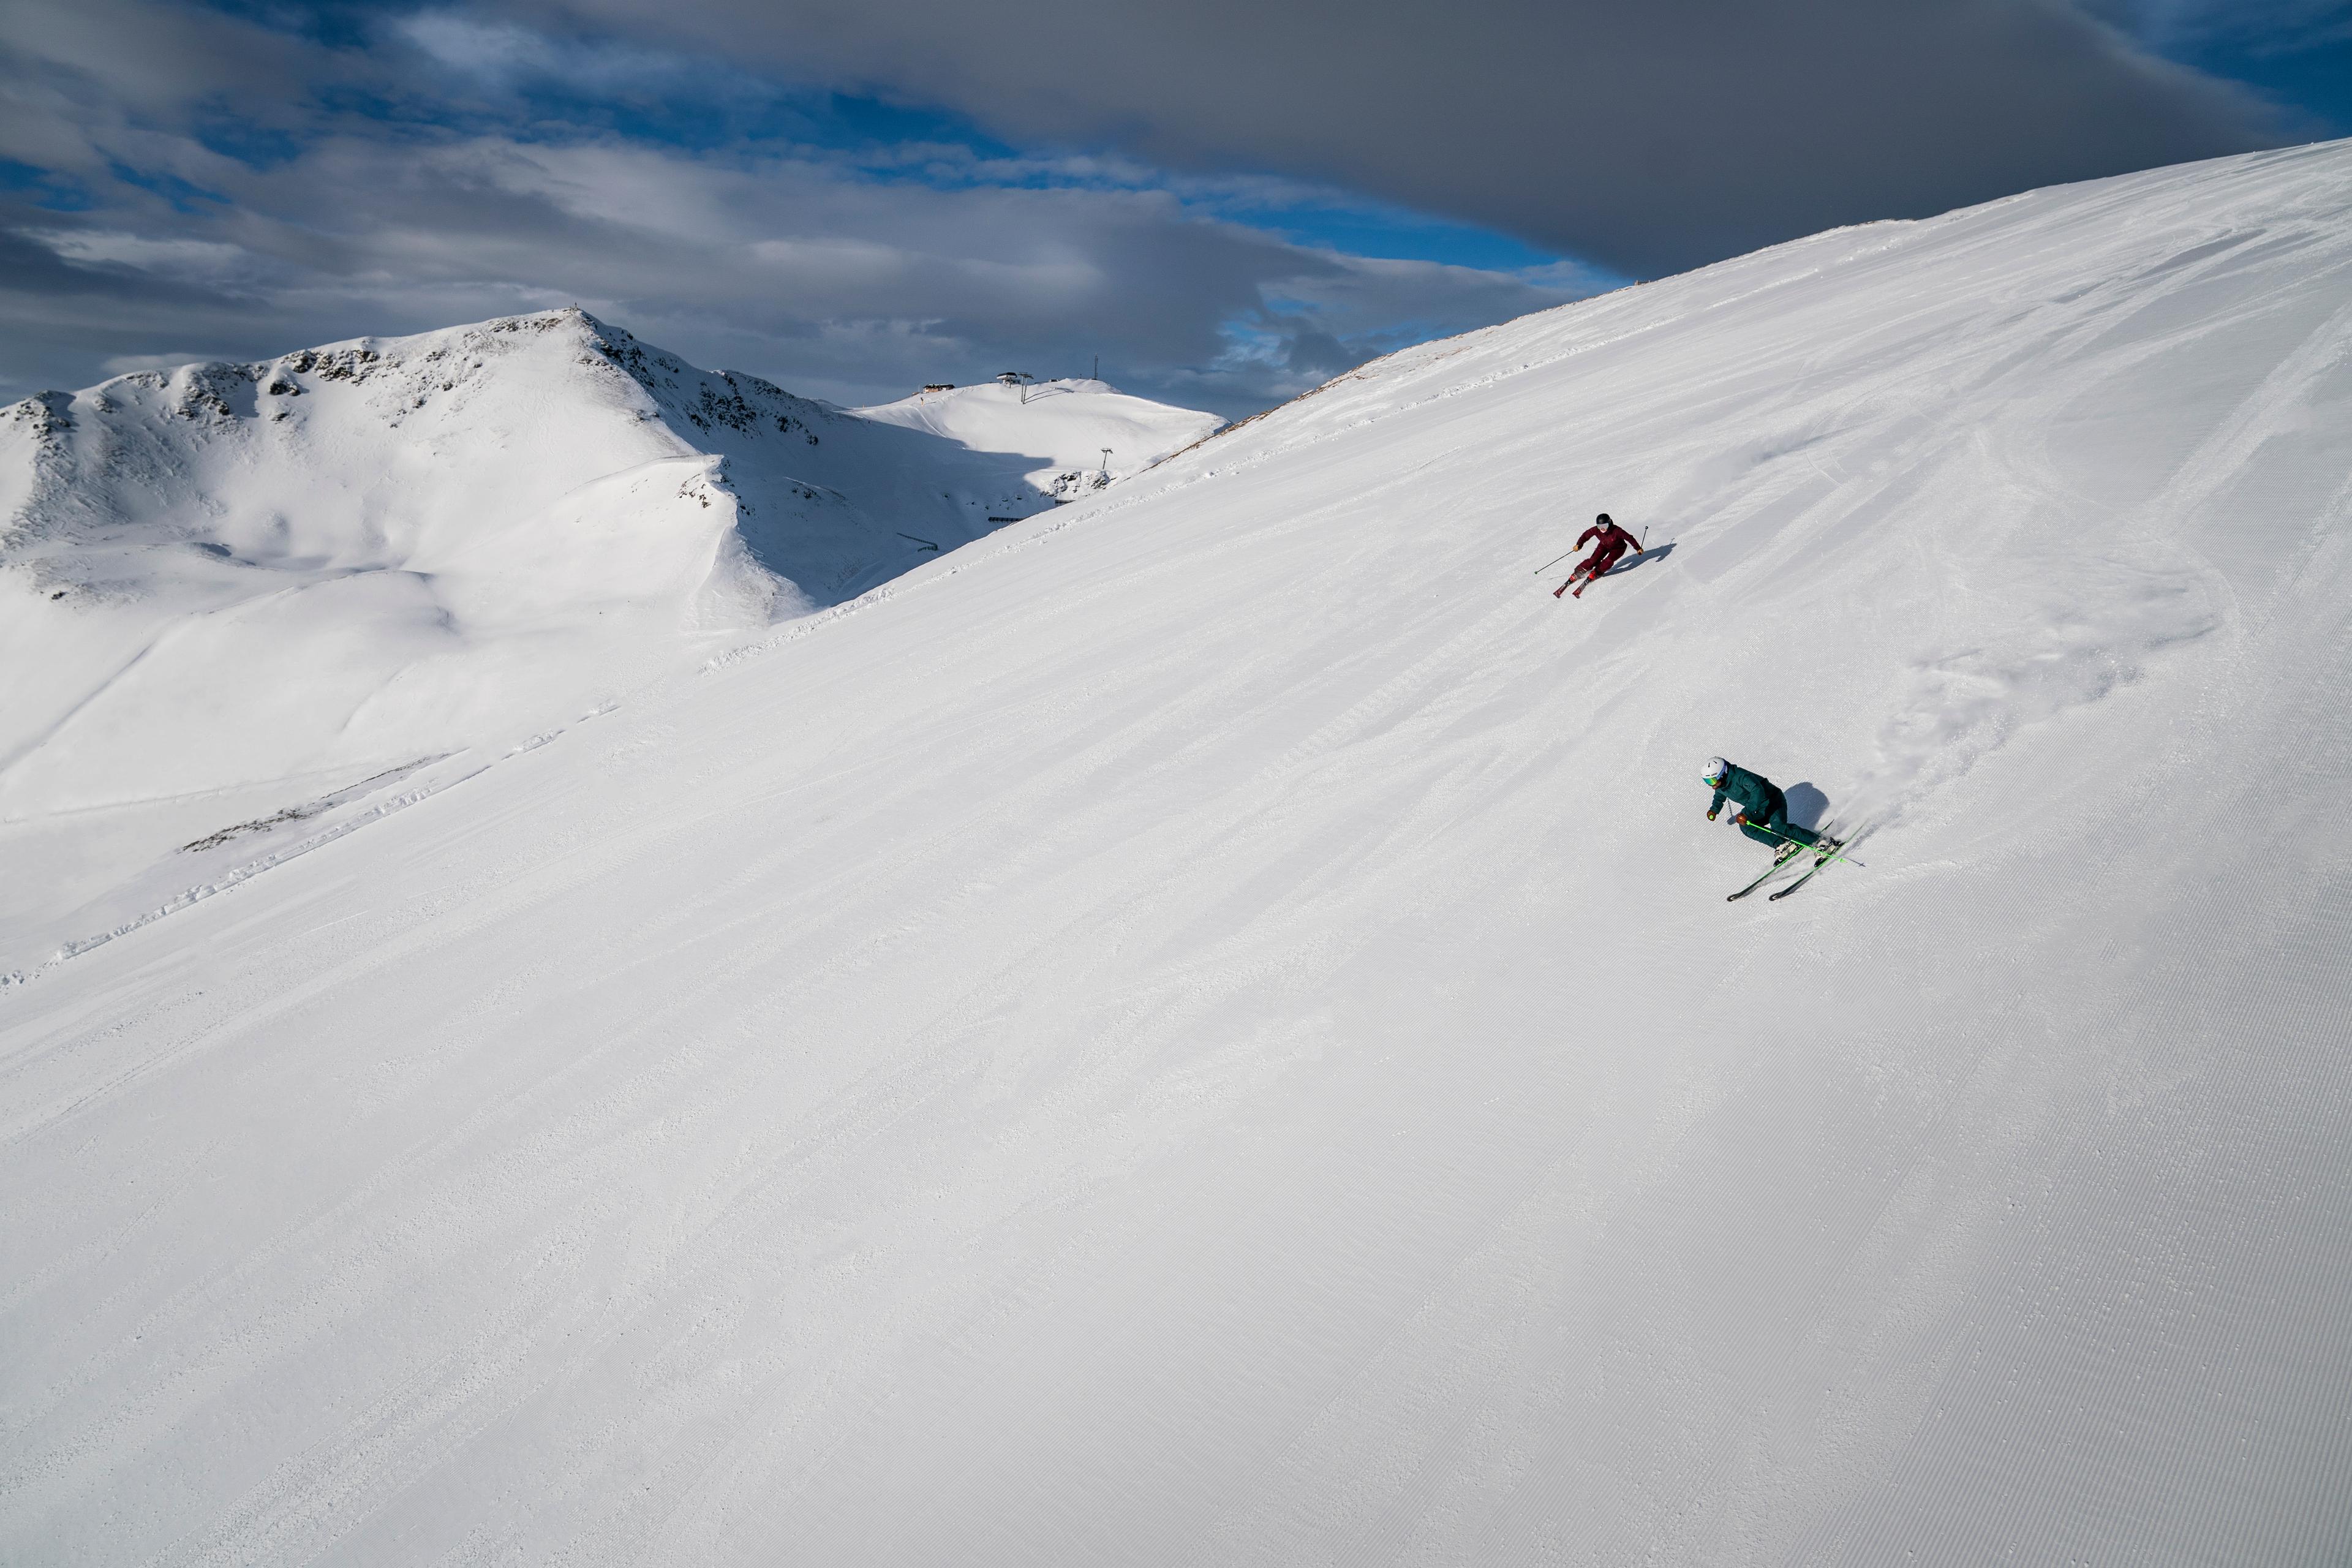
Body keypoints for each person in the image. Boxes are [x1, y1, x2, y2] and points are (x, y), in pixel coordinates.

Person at [1703, 756, 1822, 860]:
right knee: (1747, 827)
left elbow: (1757, 790)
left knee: (1779, 828)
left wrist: (1747, 812)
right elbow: (1719, 796)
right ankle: (1784, 844)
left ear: (1723, 774)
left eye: (1712, 780)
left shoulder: (1741, 777)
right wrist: (1714, 809)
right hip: (1759, 809)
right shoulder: (1721, 785)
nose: (1711, 786)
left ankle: (1820, 842)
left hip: (1773, 802)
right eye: (1707, 782)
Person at [1555, 513, 1643, 598]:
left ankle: (1597, 572)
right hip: (1604, 546)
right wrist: (1579, 545)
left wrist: (1638, 548)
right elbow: (1586, 535)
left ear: (1610, 523)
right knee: (1593, 560)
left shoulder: (1617, 531)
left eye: (1605, 525)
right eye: (1600, 526)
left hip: (1618, 549)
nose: (1603, 529)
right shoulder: (1596, 530)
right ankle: (1579, 572)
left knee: (1608, 561)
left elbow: (1630, 538)